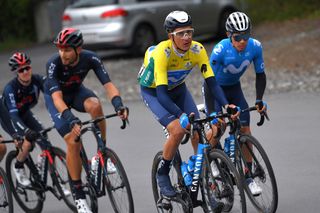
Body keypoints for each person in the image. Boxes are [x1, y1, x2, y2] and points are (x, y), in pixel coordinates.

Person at [138, 11, 238, 209]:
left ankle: (203, 183)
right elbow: (162, 94)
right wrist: (180, 115)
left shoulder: (197, 49)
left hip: (178, 90)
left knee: (198, 133)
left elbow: (211, 82)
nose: (187, 38)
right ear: (170, 36)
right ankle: (163, 173)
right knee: (177, 129)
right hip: (155, 93)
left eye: (189, 32)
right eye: (181, 33)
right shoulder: (161, 52)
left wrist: (226, 105)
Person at [44, 28, 128, 213]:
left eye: (67, 49)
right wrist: (70, 118)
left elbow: (109, 85)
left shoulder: (91, 58)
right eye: (60, 49)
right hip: (56, 99)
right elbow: (57, 99)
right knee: (74, 141)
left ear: (78, 49)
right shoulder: (53, 63)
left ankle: (102, 153)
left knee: (95, 105)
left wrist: (118, 105)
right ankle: (78, 195)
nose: (62, 53)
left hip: (76, 93)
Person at [202, 11, 267, 196]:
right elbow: (209, 82)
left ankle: (247, 176)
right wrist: (214, 114)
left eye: (246, 36)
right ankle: (210, 158)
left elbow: (260, 75)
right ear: (229, 35)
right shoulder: (220, 50)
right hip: (215, 90)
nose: (242, 41)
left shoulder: (255, 47)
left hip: (234, 89)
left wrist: (259, 99)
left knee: (245, 129)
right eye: (238, 37)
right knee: (218, 126)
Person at [0, 52, 60, 189]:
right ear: (17, 72)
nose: (26, 71)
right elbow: (13, 115)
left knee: (43, 136)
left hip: (25, 113)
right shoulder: (10, 88)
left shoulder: (37, 80)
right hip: (11, 118)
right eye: (21, 70)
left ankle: (54, 178)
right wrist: (26, 131)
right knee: (27, 143)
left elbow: (52, 92)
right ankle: (18, 166)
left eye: (27, 67)